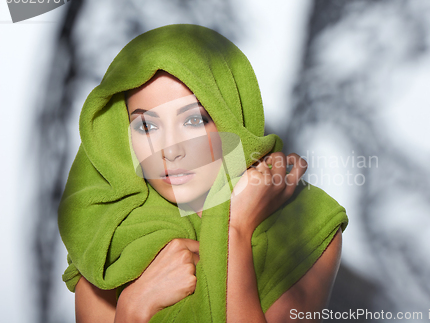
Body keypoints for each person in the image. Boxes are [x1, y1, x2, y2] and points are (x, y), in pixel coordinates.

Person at [58, 24, 348, 323]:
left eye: (194, 120)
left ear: (233, 119)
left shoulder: (309, 221)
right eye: (147, 126)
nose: (170, 150)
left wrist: (236, 229)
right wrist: (134, 306)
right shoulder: (107, 238)